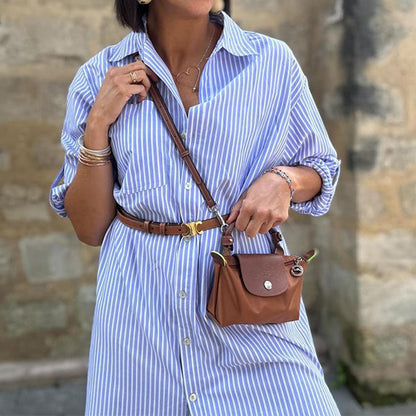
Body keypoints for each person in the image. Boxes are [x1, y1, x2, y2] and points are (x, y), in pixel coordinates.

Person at [49, 0, 342, 414]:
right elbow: (89, 227)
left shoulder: (271, 63)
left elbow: (321, 167)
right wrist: (97, 126)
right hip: (139, 307)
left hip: (247, 293)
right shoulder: (98, 77)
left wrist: (285, 181)